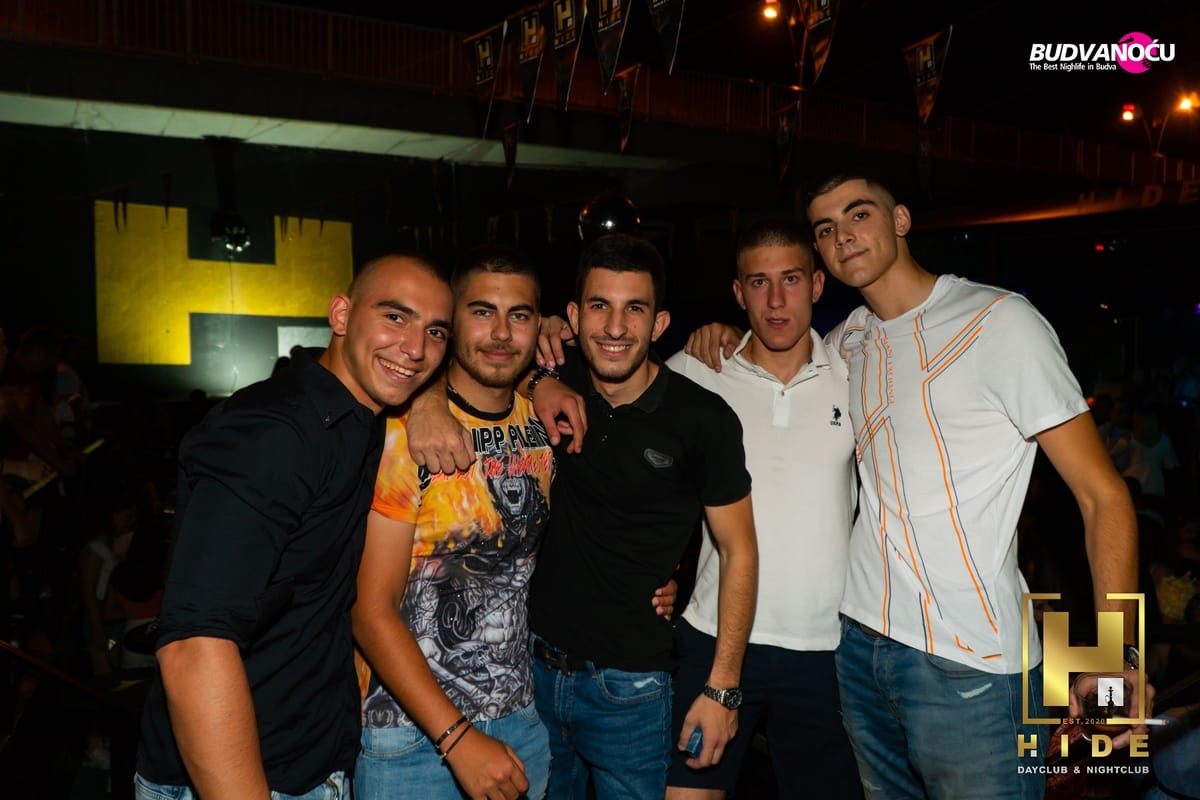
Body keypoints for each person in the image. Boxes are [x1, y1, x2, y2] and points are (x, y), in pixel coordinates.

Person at [689, 174, 1142, 799]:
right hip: (857, 653)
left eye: (859, 214)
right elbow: (768, 357)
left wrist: (1121, 659)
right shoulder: (849, 341)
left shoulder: (1000, 322)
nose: (844, 235)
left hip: (971, 668)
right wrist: (721, 334)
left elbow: (1103, 496)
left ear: (900, 219)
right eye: (826, 228)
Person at [135, 254, 454, 800]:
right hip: (237, 778)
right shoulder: (272, 433)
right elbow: (194, 647)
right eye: (395, 317)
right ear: (341, 314)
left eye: (435, 331)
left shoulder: (361, 413)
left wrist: (433, 395)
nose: (416, 347)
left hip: (312, 758)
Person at [527, 233, 758, 799]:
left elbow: (739, 551)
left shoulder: (703, 419)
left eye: (635, 308)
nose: (615, 327)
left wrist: (723, 688)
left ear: (659, 324)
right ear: (573, 317)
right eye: (599, 306)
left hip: (630, 689)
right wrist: (538, 380)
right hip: (529, 677)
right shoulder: (550, 383)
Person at [664, 218, 860, 799]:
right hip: (714, 637)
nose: (776, 300)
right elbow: (613, 424)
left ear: (818, 284)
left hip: (826, 650)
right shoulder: (697, 372)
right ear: (738, 292)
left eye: (791, 279)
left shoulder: (856, 376)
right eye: (759, 282)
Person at [352, 245, 555, 800]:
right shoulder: (403, 433)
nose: (501, 333)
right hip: (409, 736)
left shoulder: (543, 424)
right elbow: (370, 611)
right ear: (452, 320)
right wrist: (457, 738)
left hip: (521, 723)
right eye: (482, 311)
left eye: (519, 315)